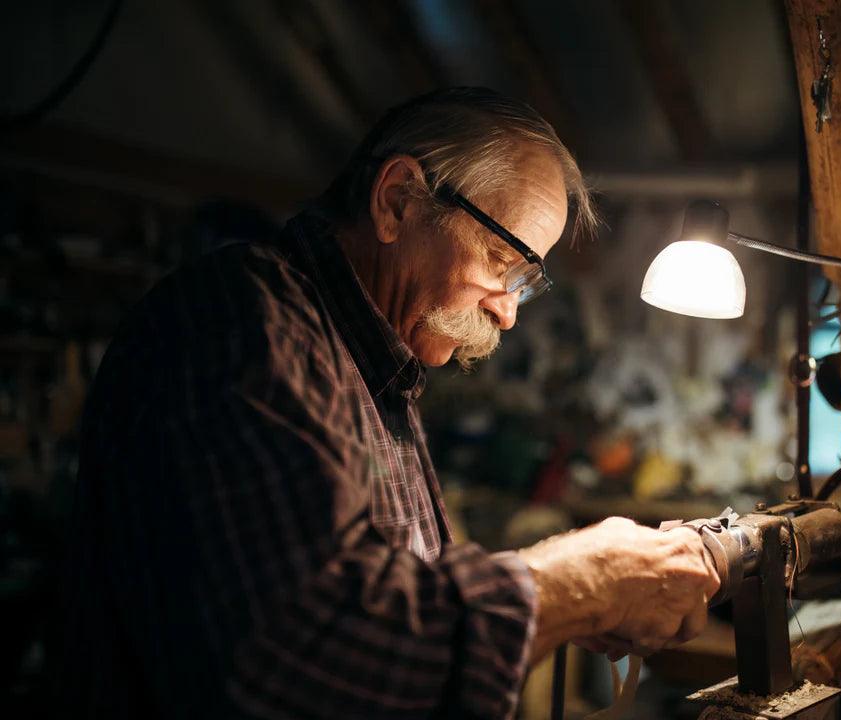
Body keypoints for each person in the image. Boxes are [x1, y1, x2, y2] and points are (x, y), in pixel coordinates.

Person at [57, 88, 720, 719]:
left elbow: (400, 610)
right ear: (397, 200)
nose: (510, 312)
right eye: (501, 261)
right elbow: (305, 661)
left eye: (527, 280)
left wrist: (578, 606)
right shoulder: (240, 325)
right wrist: (580, 583)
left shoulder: (377, 372)